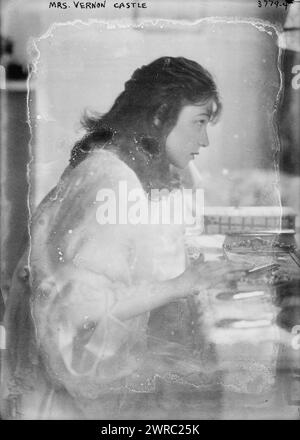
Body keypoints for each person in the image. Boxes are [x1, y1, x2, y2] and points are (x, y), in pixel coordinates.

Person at [1, 56, 248, 420]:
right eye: (198, 123)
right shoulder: (113, 180)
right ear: (161, 114)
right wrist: (183, 284)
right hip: (64, 403)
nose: (206, 140)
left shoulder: (108, 164)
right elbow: (80, 314)